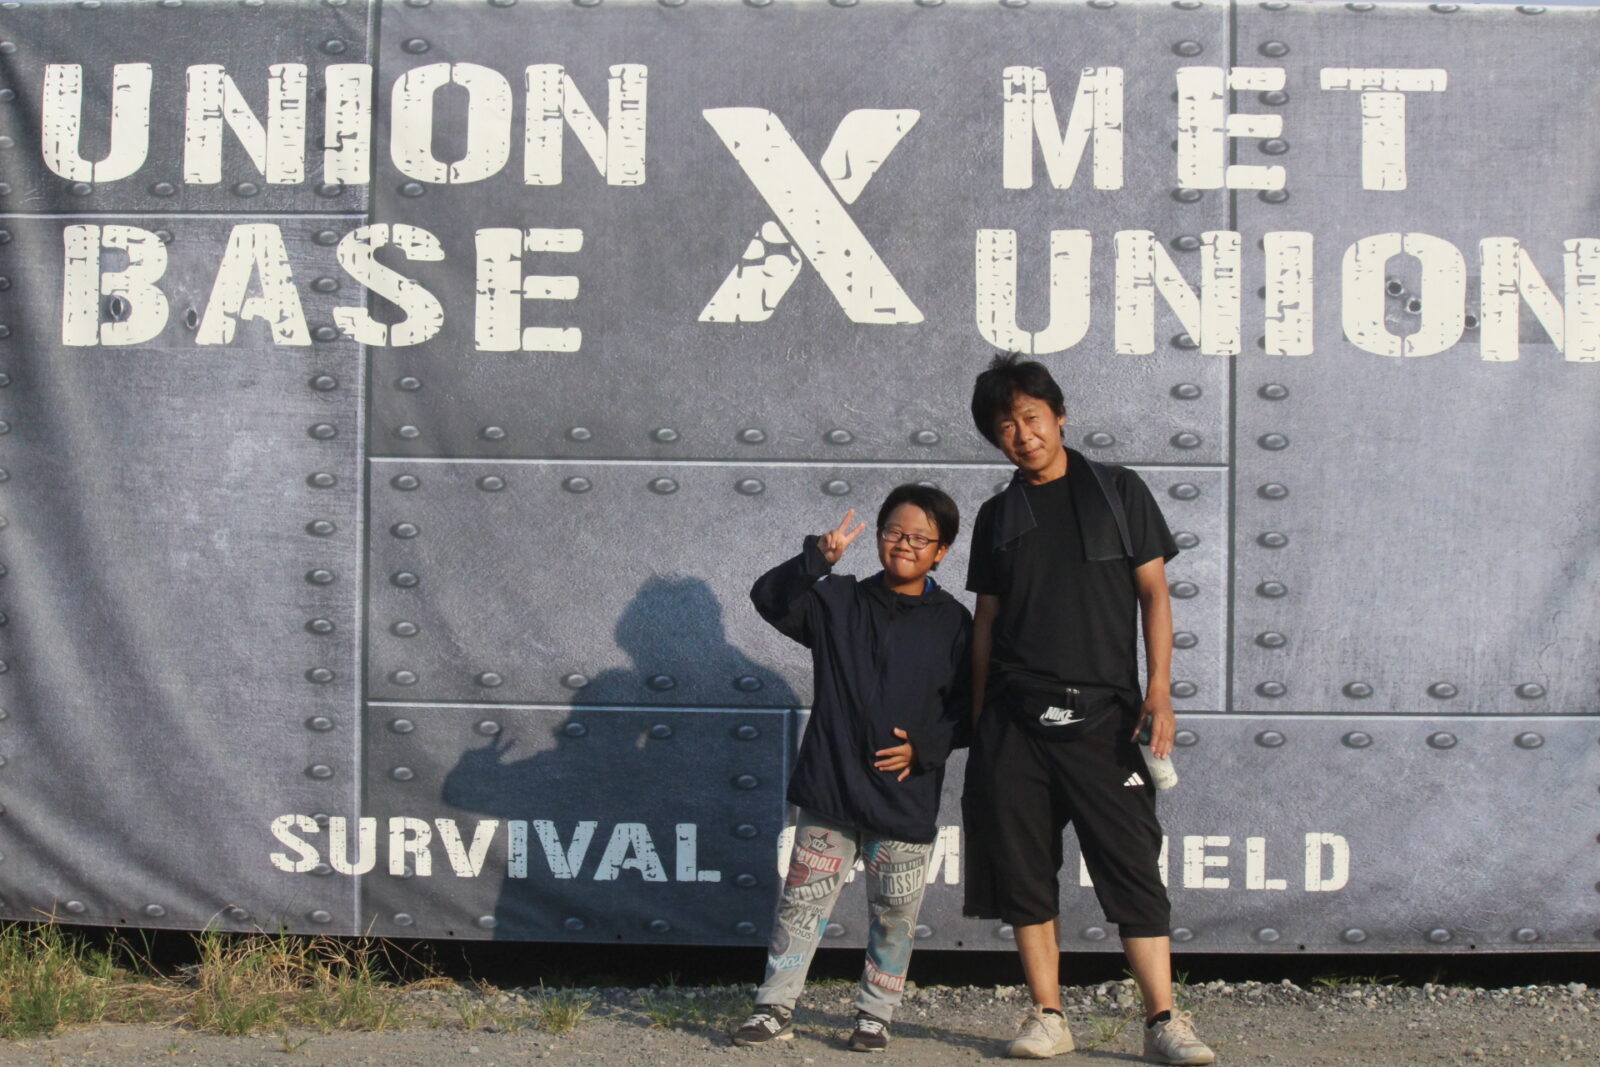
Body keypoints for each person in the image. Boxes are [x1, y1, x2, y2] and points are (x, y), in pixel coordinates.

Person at [962, 354, 1214, 1065]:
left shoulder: (1118, 490)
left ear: (1060, 416)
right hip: (1016, 721)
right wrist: (982, 721)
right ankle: (1048, 1016)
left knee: (1132, 868)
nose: (1022, 434)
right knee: (1025, 873)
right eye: (1005, 425)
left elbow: (1155, 594)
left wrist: (1159, 690)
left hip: (1106, 717)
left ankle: (1163, 1020)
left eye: (1031, 416)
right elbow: (986, 623)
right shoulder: (996, 516)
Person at [732, 485, 972, 1053]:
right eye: (895, 532)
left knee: (894, 916)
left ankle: (875, 1015)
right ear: (880, 536)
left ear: (941, 552)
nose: (905, 545)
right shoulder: (837, 600)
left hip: (903, 795)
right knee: (801, 907)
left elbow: (971, 709)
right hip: (830, 789)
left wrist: (925, 749)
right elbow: (768, 598)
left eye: (920, 538)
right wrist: (815, 560)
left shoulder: (955, 623)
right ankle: (774, 1007)